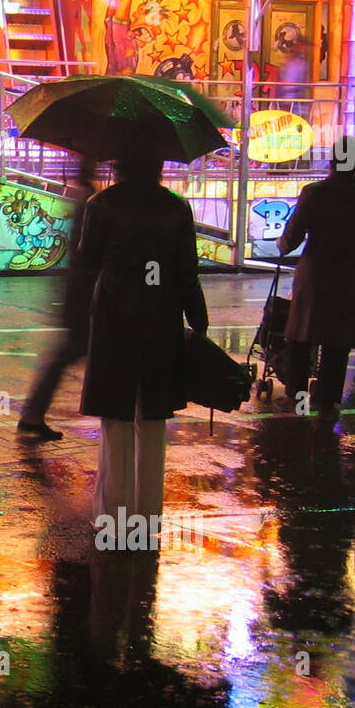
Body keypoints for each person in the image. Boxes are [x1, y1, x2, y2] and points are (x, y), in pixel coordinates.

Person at [78, 155, 208, 521]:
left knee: (116, 417)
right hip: (160, 316)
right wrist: (198, 317)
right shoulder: (176, 207)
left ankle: (114, 514)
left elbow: (88, 261)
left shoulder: (101, 204)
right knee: (152, 416)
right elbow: (187, 271)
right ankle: (148, 512)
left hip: (114, 317)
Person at [276, 138, 355, 417]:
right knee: (338, 342)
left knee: (302, 338)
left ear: (333, 159)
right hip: (353, 275)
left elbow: (293, 235)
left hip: (317, 275)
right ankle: (327, 400)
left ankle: (298, 398)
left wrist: (283, 243)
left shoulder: (315, 192)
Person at [18, 158, 98, 441]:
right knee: (75, 354)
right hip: (86, 296)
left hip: (78, 293)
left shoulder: (84, 197)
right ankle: (33, 414)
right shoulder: (91, 200)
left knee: (69, 355)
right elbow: (90, 252)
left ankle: (34, 414)